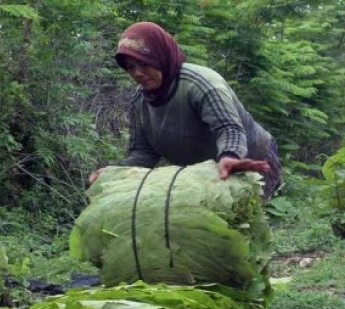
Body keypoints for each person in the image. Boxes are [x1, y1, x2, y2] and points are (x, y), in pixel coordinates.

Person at [89, 22, 282, 198]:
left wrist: (229, 156)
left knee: (236, 229)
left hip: (249, 159)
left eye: (144, 63)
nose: (137, 73)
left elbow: (229, 129)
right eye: (130, 67)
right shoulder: (140, 101)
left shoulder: (200, 84)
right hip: (202, 174)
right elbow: (143, 153)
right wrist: (114, 173)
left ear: (160, 57)